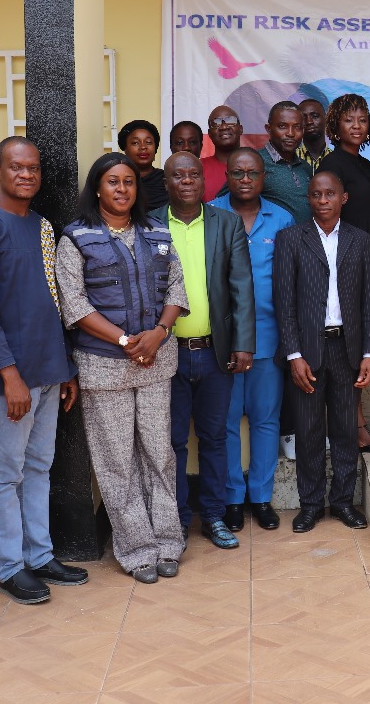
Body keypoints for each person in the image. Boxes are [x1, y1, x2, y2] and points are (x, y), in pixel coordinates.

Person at [0, 137, 85, 606]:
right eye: (17, 168)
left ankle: (40, 554)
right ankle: (10, 567)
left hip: (50, 370)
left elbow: (53, 300)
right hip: (8, 379)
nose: (27, 175)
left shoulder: (42, 226)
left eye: (33, 168)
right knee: (5, 471)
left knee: (39, 466)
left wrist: (65, 366)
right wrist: (9, 374)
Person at [56, 153, 186, 582]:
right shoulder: (75, 238)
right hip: (105, 367)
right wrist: (126, 340)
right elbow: (74, 305)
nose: (122, 189)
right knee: (117, 462)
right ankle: (135, 550)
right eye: (113, 181)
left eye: (129, 181)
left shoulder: (157, 232)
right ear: (98, 187)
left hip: (156, 362)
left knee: (159, 455)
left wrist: (159, 333)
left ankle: (168, 542)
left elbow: (176, 289)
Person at [150, 152, 256, 550]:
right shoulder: (151, 224)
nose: (188, 181)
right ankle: (176, 520)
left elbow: (241, 288)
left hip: (215, 352)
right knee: (173, 441)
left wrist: (244, 343)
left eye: (195, 174)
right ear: (167, 183)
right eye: (179, 175)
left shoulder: (226, 223)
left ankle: (213, 516)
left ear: (204, 181)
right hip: (166, 355)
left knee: (214, 438)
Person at [274, 172, 370, 532]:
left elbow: (369, 302)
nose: (322, 200)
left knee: (346, 429)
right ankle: (311, 504)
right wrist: (293, 355)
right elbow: (283, 303)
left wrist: (369, 352)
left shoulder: (359, 240)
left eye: (330, 194)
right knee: (309, 430)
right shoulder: (291, 239)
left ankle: (343, 502)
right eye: (316, 194)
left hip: (347, 349)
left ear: (343, 198)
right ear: (309, 198)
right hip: (308, 350)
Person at [209, 148, 292, 531]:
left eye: (252, 173)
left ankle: (260, 497)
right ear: (227, 174)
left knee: (265, 420)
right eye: (238, 172)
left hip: (269, 338)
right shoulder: (210, 214)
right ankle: (231, 499)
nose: (245, 179)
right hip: (221, 339)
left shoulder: (282, 218)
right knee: (225, 422)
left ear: (263, 177)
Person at [318, 93, 370, 453]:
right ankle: (355, 427)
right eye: (349, 120)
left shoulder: (360, 163)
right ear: (335, 126)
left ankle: (356, 422)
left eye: (362, 120)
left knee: (360, 344)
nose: (357, 126)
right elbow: (327, 220)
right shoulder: (333, 164)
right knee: (350, 349)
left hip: (368, 260)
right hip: (347, 265)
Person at [258, 100, 314, 225]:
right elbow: (224, 202)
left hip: (305, 241)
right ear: (269, 129)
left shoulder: (305, 167)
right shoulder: (256, 162)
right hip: (272, 242)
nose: (290, 133)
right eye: (282, 126)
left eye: (297, 127)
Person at [118, 120, 168, 211]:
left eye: (148, 142)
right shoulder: (118, 181)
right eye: (135, 143)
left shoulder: (167, 179)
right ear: (125, 148)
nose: (143, 147)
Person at [204, 105, 243, 200]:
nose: (224, 127)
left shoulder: (257, 165)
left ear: (241, 129)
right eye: (216, 123)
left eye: (231, 121)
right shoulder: (198, 168)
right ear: (209, 134)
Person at [296, 98, 331, 170]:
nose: (309, 122)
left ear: (326, 119)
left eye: (315, 116)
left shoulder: (338, 159)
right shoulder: (290, 158)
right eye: (303, 118)